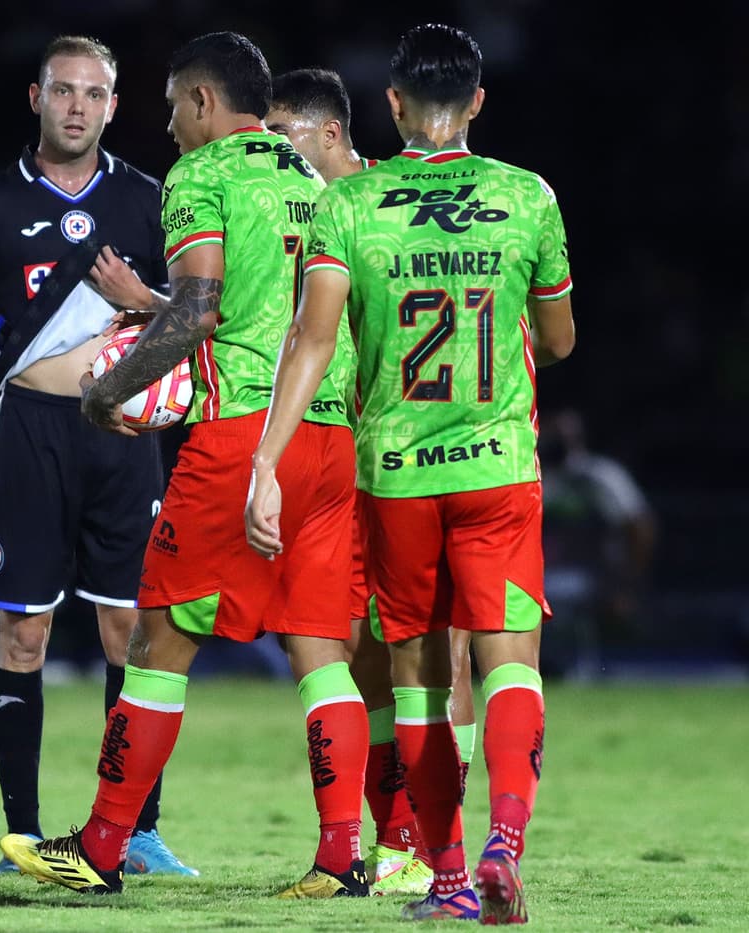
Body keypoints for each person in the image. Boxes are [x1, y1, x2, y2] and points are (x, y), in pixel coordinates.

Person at [0, 31, 369, 899]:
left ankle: (99, 847)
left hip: (242, 436)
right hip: (328, 436)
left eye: (170, 108)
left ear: (203, 102)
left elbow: (199, 310)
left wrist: (106, 394)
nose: (167, 127)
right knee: (320, 651)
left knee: (157, 642)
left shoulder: (203, 178)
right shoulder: (312, 179)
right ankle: (343, 855)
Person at [246, 23, 575, 923]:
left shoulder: (348, 208)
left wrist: (267, 460)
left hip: (396, 472)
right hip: (498, 465)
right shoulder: (527, 196)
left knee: (422, 680)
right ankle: (508, 836)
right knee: (509, 663)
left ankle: (452, 876)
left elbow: (311, 344)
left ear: (391, 107)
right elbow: (559, 339)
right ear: (475, 103)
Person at [0, 34, 194, 876]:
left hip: (123, 438)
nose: (77, 105)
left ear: (114, 106)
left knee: (129, 632)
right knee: (23, 634)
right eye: (63, 90)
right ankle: (24, 835)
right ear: (36, 99)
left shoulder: (152, 200)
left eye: (94, 93)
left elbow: (197, 315)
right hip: (31, 430)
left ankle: (135, 828)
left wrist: (138, 298)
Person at [267, 67, 481, 899]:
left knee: (433, 653)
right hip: (345, 467)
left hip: (419, 460)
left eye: (280, 137)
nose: (269, 155)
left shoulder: (385, 202)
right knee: (355, 656)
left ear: (328, 135)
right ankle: (394, 840)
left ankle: (439, 847)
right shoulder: (318, 214)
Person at [539, 408, 656, 677]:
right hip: (544, 571)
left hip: (599, 573)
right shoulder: (533, 474)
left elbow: (641, 526)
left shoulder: (601, 476)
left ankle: (592, 667)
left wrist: (629, 581)